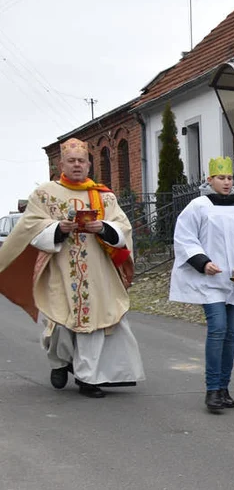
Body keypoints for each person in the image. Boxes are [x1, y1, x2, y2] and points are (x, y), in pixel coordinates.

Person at [0, 137, 143, 397]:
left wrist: (103, 228)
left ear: (89, 164)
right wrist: (56, 228)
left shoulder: (104, 197)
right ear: (61, 164)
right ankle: (60, 361)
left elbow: (123, 228)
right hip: (59, 268)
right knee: (60, 322)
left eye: (81, 161)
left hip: (97, 270)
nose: (77, 165)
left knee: (93, 322)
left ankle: (88, 378)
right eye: (71, 161)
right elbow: (30, 228)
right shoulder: (44, 194)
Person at [169, 157, 234, 413]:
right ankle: (212, 389)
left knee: (231, 334)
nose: (226, 182)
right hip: (210, 279)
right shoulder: (197, 206)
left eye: (230, 178)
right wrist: (202, 262)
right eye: (220, 178)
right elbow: (184, 238)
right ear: (209, 180)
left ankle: (224, 387)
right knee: (218, 329)